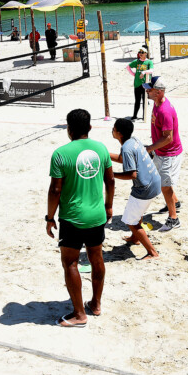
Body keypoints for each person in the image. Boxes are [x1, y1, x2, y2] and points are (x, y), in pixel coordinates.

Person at [46, 109, 114, 327]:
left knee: (70, 263)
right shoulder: (101, 149)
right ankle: (95, 304)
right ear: (90, 128)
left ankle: (79, 314)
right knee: (97, 259)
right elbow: (110, 181)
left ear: (69, 129)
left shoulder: (60, 154)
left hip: (72, 217)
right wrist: (109, 206)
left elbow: (55, 190)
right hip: (97, 215)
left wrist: (49, 217)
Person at [109, 118, 161, 260]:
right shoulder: (133, 141)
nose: (112, 130)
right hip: (154, 181)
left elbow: (131, 174)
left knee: (130, 221)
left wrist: (111, 175)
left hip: (145, 188)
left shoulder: (126, 148)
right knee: (137, 213)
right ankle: (135, 238)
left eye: (113, 129)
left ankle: (152, 252)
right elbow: (123, 159)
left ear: (119, 133)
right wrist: (106, 155)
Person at [143, 76, 183, 232]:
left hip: (169, 154)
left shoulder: (164, 110)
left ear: (158, 92)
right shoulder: (156, 103)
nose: (147, 90)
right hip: (162, 152)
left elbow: (168, 138)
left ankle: (174, 219)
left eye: (150, 89)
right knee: (163, 182)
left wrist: (150, 148)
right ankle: (175, 203)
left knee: (165, 186)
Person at [128, 48, 153, 121]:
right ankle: (134, 116)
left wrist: (143, 72)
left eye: (142, 52)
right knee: (137, 101)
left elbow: (151, 70)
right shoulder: (137, 61)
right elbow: (128, 67)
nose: (140, 54)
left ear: (146, 53)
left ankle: (144, 116)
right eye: (139, 52)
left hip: (145, 84)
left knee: (145, 101)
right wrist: (133, 74)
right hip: (137, 84)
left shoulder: (149, 62)